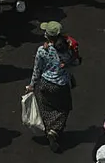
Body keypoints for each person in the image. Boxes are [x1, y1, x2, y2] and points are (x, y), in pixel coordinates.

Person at [27, 21, 80, 153]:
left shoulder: (42, 50)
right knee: (64, 108)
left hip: (45, 83)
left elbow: (37, 69)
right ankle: (54, 130)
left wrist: (32, 85)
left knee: (46, 107)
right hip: (61, 85)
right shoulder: (67, 50)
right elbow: (76, 62)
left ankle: (49, 128)